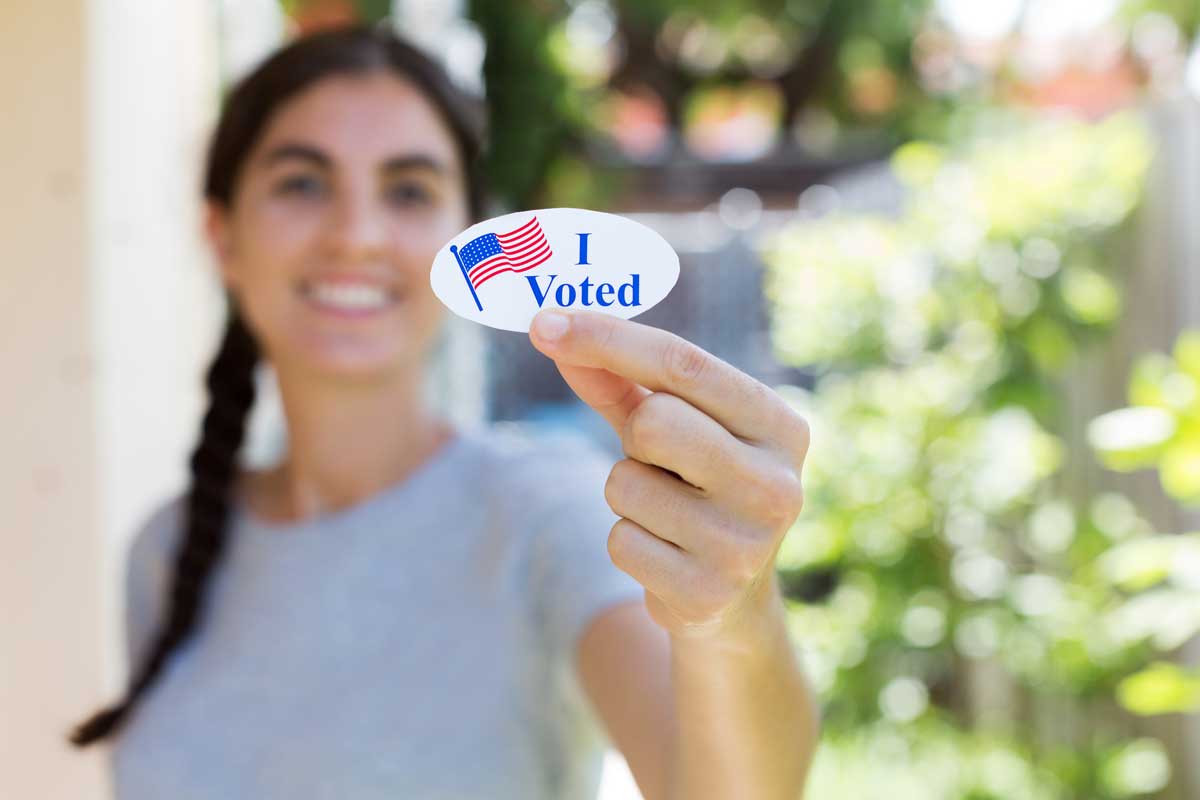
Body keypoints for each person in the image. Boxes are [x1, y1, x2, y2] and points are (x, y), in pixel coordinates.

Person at [68, 22, 819, 800]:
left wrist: (734, 616)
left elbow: (726, 790)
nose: (356, 236)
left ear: (469, 236)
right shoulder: (166, 549)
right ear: (222, 236)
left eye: (408, 189)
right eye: (301, 182)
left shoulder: (543, 509)